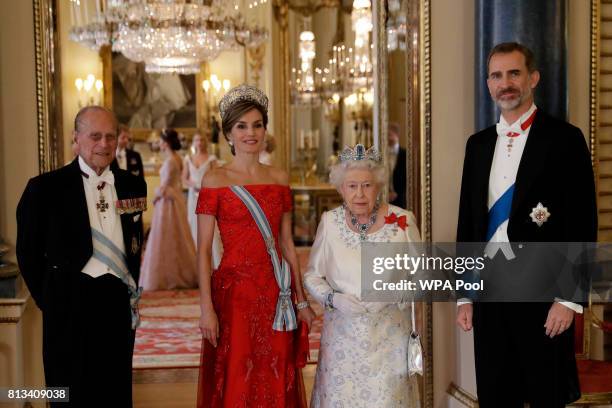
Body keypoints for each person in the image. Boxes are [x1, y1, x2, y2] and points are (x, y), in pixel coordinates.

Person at [456, 42, 597, 407]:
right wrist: (464, 293)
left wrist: (568, 298)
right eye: (497, 75)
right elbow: (469, 222)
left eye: (514, 73)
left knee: (545, 393)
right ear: (488, 84)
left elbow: (583, 223)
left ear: (533, 78)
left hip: (543, 292)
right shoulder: (478, 145)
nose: (506, 83)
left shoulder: (565, 139)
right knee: (495, 393)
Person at [16, 106, 147, 407]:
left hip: (115, 301)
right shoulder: (44, 189)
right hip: (67, 301)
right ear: (76, 138)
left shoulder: (132, 185)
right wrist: (49, 297)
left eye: (110, 137)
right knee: (67, 390)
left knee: (115, 388)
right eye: (95, 136)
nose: (104, 144)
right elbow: (27, 252)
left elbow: (135, 242)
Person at [196, 84, 315, 407]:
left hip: (276, 294)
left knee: (275, 370)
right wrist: (206, 308)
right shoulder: (214, 180)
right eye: (242, 126)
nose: (251, 133)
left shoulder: (279, 177)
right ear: (228, 134)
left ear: (265, 129)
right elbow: (204, 250)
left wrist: (301, 300)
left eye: (258, 125)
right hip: (234, 297)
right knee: (238, 373)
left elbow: (287, 244)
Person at [303, 144, 421, 407]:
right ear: (340, 188)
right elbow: (312, 276)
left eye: (366, 185)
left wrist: (395, 294)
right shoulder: (330, 223)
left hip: (390, 341)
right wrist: (333, 298)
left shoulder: (402, 221)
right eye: (351, 186)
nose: (359, 194)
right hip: (341, 342)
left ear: (378, 186)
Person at [139, 128, 198, 290]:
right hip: (175, 199)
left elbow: (164, 185)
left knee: (166, 236)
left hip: (167, 201)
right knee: (178, 235)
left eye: (160, 141)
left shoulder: (171, 160)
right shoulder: (177, 158)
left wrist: (155, 196)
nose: (159, 144)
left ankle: (167, 276)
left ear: (166, 143)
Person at [182, 132, 218, 242]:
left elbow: (216, 177)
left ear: (205, 142)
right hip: (193, 195)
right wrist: (192, 184)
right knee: (193, 221)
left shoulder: (211, 159)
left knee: (207, 222)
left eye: (201, 140)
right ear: (193, 143)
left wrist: (205, 186)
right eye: (197, 140)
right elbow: (184, 178)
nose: (199, 143)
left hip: (206, 194)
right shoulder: (188, 158)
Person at [388, 122, 407, 208]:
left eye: (390, 135)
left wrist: (397, 194)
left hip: (400, 199)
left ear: (397, 135)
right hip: (384, 198)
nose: (388, 138)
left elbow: (407, 177)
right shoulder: (381, 154)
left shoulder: (405, 154)